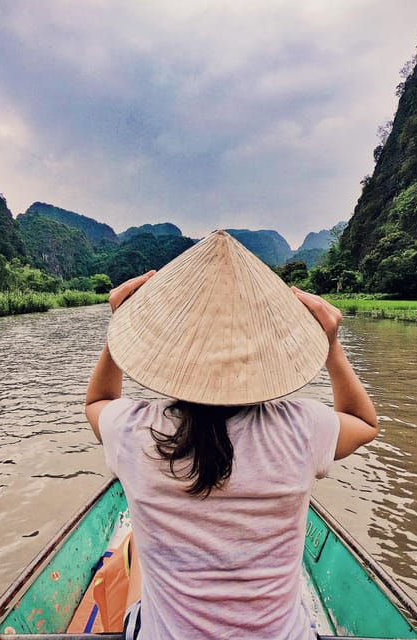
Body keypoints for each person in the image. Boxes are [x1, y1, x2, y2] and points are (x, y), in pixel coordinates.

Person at [85, 230, 378, 639]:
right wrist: (331, 346)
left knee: (134, 546)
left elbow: (96, 402)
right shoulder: (301, 427)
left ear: (171, 352)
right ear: (264, 353)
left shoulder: (136, 430)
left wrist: (117, 328)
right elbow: (364, 424)